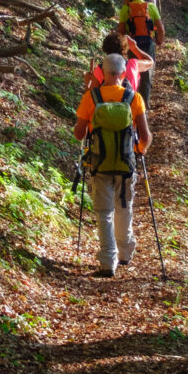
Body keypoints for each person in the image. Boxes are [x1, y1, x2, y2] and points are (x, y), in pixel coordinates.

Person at [73, 53, 151, 278]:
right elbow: (145, 136)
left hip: (100, 163)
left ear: (103, 73)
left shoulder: (91, 97)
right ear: (123, 73)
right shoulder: (133, 98)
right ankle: (125, 252)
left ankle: (108, 261)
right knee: (124, 206)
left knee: (104, 212)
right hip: (126, 164)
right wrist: (139, 150)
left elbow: (79, 134)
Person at [117, 0, 165, 107]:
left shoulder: (125, 9)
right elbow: (161, 28)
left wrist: (122, 46)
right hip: (148, 43)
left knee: (134, 71)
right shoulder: (151, 7)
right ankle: (145, 104)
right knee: (147, 72)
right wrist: (159, 40)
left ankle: (133, 100)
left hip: (132, 43)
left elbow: (121, 31)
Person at [84, 32, 154, 92]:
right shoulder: (132, 65)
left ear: (105, 49)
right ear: (124, 49)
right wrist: (134, 48)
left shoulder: (100, 69)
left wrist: (87, 83)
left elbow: (91, 98)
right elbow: (150, 62)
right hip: (129, 105)